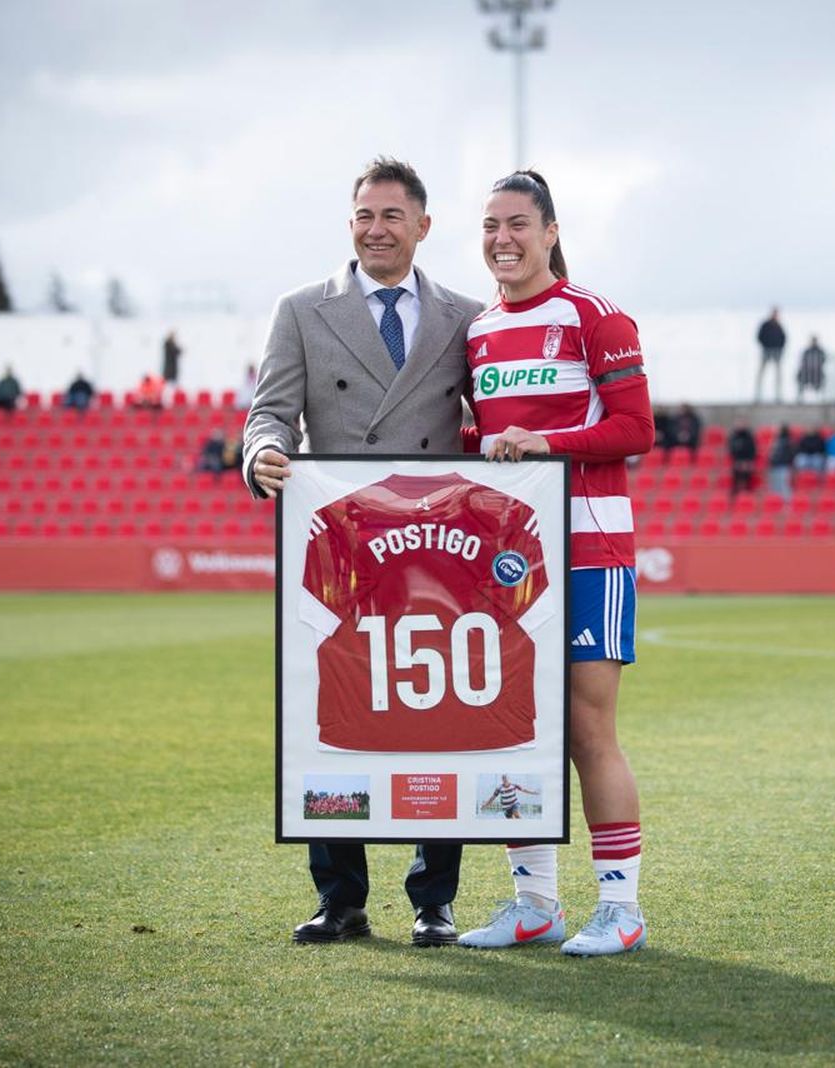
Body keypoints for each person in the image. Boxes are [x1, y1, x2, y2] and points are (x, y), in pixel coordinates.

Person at [242, 156, 483, 949]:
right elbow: (270, 412)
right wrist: (262, 456)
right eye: (363, 216)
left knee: (435, 713)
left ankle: (433, 899)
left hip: (435, 549)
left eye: (391, 216)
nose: (375, 229)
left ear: (423, 224)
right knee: (335, 713)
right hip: (339, 543)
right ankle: (340, 898)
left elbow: (493, 420)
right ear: (350, 224)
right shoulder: (302, 310)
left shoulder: (466, 316)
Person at [456, 169, 654, 958]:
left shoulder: (595, 317)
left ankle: (622, 909)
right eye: (490, 226)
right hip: (509, 559)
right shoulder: (474, 333)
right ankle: (533, 902)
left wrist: (547, 444)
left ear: (550, 232)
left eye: (517, 224)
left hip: (591, 553)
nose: (501, 239)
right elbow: (487, 444)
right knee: (512, 731)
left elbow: (636, 428)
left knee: (585, 728)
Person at [755, 307, 785, 404]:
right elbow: (760, 336)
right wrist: (766, 345)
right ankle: (758, 395)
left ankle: (778, 395)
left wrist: (779, 347)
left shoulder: (779, 325)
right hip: (766, 351)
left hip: (777, 353)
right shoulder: (765, 325)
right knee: (761, 374)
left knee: (778, 375)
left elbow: (783, 338)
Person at [727, 419, 757, 496]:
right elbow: (731, 450)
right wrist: (738, 461)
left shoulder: (749, 436)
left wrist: (748, 461)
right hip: (737, 461)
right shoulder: (733, 436)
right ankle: (735, 494)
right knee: (736, 475)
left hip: (747, 461)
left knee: (747, 475)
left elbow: (752, 450)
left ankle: (748, 494)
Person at [767, 425, 795, 500]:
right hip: (775, 466)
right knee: (775, 486)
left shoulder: (788, 441)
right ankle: (777, 503)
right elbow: (772, 454)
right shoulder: (777, 441)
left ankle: (787, 503)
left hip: (783, 466)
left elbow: (790, 455)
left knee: (784, 486)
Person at [796, 336, 826, 403]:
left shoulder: (820, 351)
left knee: (822, 378)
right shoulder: (807, 351)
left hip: (817, 373)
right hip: (807, 373)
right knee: (800, 376)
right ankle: (800, 396)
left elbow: (823, 361)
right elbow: (803, 361)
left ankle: (821, 395)